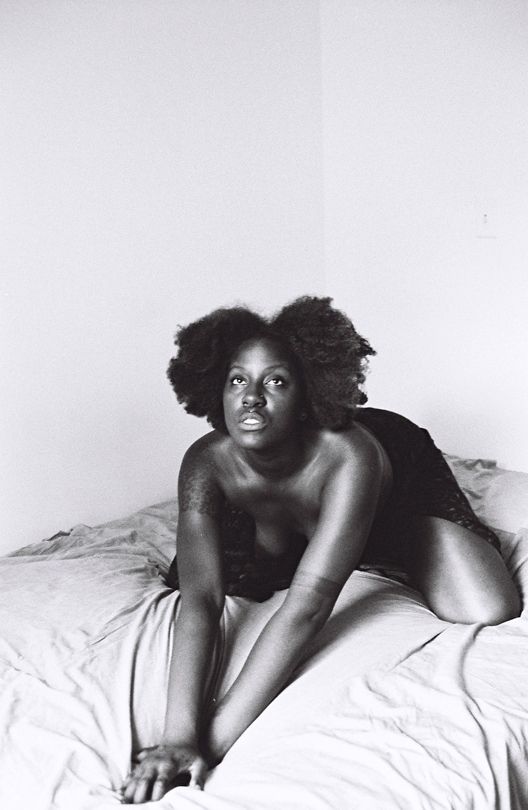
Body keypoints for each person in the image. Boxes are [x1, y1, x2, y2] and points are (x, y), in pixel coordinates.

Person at [123, 296, 520, 803]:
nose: (252, 398)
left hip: (395, 486)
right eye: (238, 380)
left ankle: (391, 536)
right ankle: (321, 539)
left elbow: (308, 605)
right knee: (205, 574)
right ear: (216, 390)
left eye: (277, 382)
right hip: (287, 516)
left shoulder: (350, 454)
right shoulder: (205, 463)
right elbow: (201, 600)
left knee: (488, 606)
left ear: (307, 393)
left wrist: (214, 742)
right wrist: (178, 738)